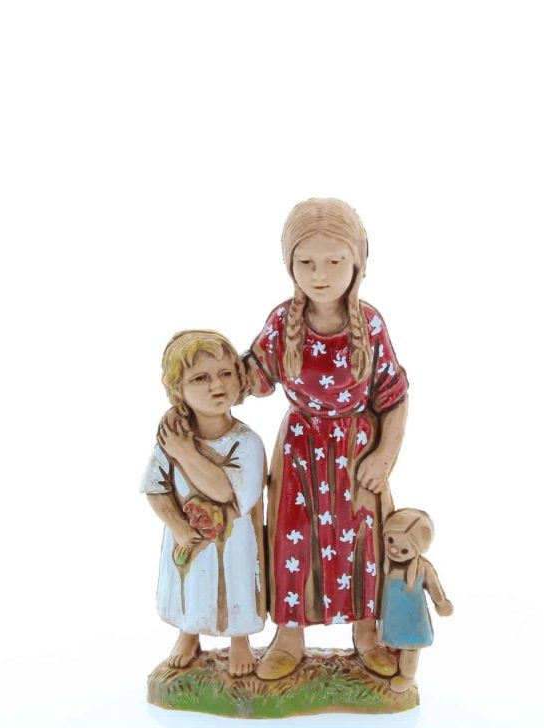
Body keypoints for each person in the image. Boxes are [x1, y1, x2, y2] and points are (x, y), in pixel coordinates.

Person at [245, 198, 410, 680]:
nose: (320, 274)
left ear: (357, 262)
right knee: (292, 539)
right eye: (307, 262)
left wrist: (384, 456)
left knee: (362, 540)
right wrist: (210, 383)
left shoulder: (370, 324)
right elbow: (255, 376)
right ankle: (288, 637)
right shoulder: (283, 322)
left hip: (356, 450)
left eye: (335, 261)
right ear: (289, 264)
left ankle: (367, 633)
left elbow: (394, 396)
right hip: (300, 448)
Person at [140, 330, 267, 676]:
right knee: (191, 584)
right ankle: (188, 635)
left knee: (237, 584)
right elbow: (155, 488)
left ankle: (240, 641)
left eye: (226, 373)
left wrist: (184, 451)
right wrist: (178, 527)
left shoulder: (246, 442)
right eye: (200, 378)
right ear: (177, 389)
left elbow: (226, 491)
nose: (217, 386)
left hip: (236, 540)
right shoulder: (170, 438)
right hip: (188, 537)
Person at [376, 509, 453, 692]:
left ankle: (406, 676)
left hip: (412, 620)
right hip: (392, 617)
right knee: (392, 645)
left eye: (404, 549)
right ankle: (392, 666)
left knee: (410, 649)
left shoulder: (422, 568)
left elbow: (433, 586)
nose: (394, 550)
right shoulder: (385, 564)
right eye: (390, 541)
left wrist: (441, 603)